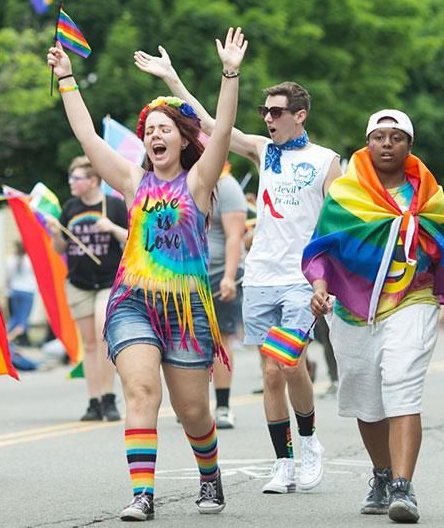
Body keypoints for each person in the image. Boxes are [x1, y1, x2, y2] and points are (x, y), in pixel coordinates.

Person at [50, 27, 247, 520]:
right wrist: (69, 78)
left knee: (193, 413)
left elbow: (221, 131)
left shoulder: (200, 183)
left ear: (183, 139)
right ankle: (143, 493)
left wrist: (229, 74)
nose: (155, 135)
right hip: (133, 301)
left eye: (165, 129)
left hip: (185, 307)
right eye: (150, 130)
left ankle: (209, 475)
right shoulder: (132, 181)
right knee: (140, 392)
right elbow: (87, 136)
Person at [135, 48, 338, 494]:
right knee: (269, 372)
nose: (268, 118)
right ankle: (283, 462)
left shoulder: (326, 161)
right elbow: (211, 123)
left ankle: (309, 443)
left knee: (288, 363)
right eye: (265, 111)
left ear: (299, 115)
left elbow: (337, 223)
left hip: (300, 278)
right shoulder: (264, 151)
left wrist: (330, 278)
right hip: (261, 275)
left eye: (277, 112)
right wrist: (171, 77)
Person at [303, 110, 444, 524]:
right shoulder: (346, 193)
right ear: (367, 143)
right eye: (378, 137)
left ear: (408, 146)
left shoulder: (431, 199)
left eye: (396, 137)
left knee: (401, 387)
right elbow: (323, 249)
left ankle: (402, 487)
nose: (386, 144)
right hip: (353, 312)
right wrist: (320, 289)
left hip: (412, 302)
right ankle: (381, 475)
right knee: (366, 398)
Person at [50, 156, 128, 422]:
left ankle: (109, 398)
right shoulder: (70, 208)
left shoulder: (114, 205)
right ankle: (94, 400)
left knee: (103, 333)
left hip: (108, 281)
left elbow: (133, 238)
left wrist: (112, 228)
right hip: (79, 283)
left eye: (77, 178)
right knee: (90, 344)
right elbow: (60, 249)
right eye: (71, 177)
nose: (71, 182)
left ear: (93, 181)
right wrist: (55, 233)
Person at [207, 164, 247, 429]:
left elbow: (235, 236)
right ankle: (194, 404)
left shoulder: (226, 185)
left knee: (219, 339)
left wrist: (229, 277)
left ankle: (222, 406)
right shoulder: (182, 182)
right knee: (189, 343)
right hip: (188, 276)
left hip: (221, 273)